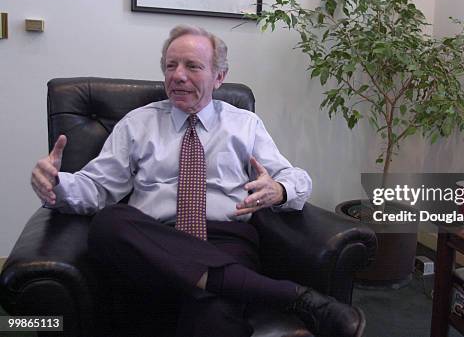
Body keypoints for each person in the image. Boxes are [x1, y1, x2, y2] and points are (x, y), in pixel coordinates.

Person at [30, 25, 365, 337]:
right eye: (170, 66)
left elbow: (296, 178)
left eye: (192, 66)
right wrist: (57, 183)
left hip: (226, 239)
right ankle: (289, 296)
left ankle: (231, 287)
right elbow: (97, 188)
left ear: (219, 76)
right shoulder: (138, 124)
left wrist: (278, 189)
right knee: (110, 221)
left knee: (213, 314)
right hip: (152, 241)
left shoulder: (244, 124)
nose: (178, 76)